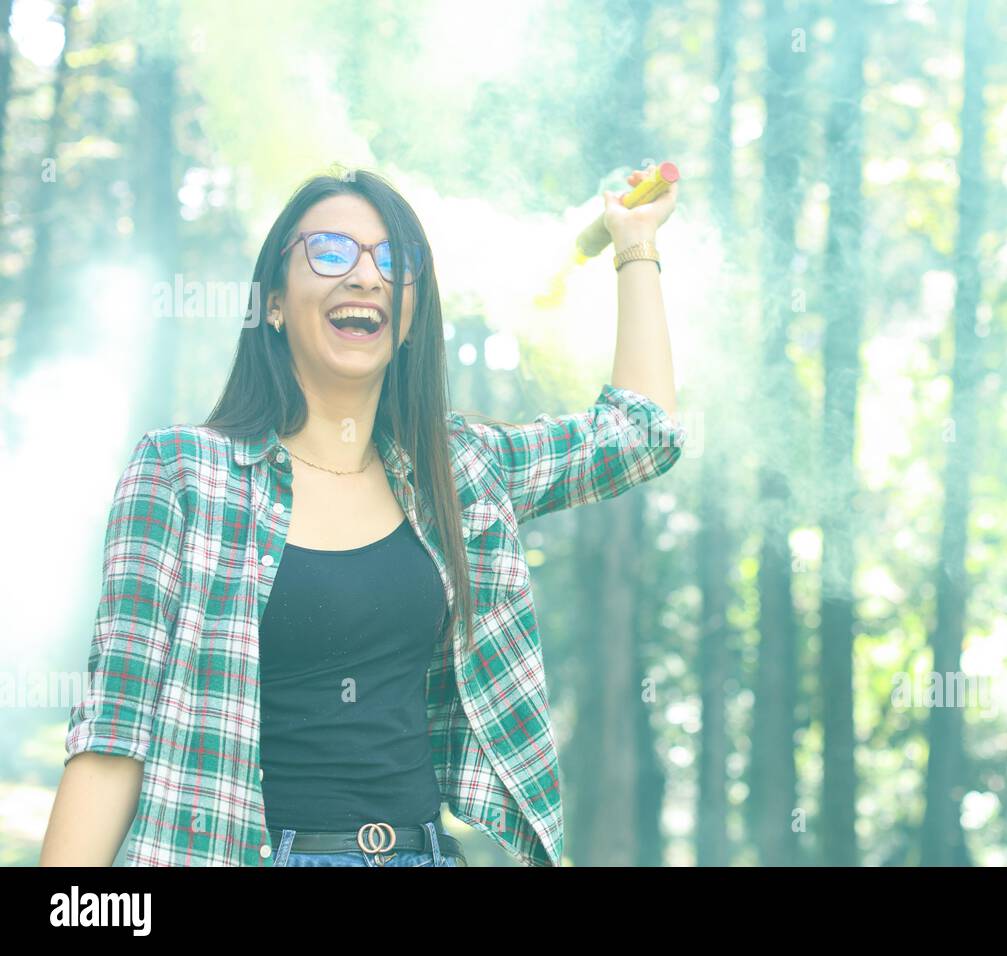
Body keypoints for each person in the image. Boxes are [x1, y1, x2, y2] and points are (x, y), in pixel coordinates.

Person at [41, 166, 685, 867]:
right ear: (276, 303)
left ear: (408, 317)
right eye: (330, 251)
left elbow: (640, 436)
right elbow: (112, 738)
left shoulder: (461, 473)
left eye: (393, 260)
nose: (366, 276)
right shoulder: (182, 474)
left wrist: (634, 243)